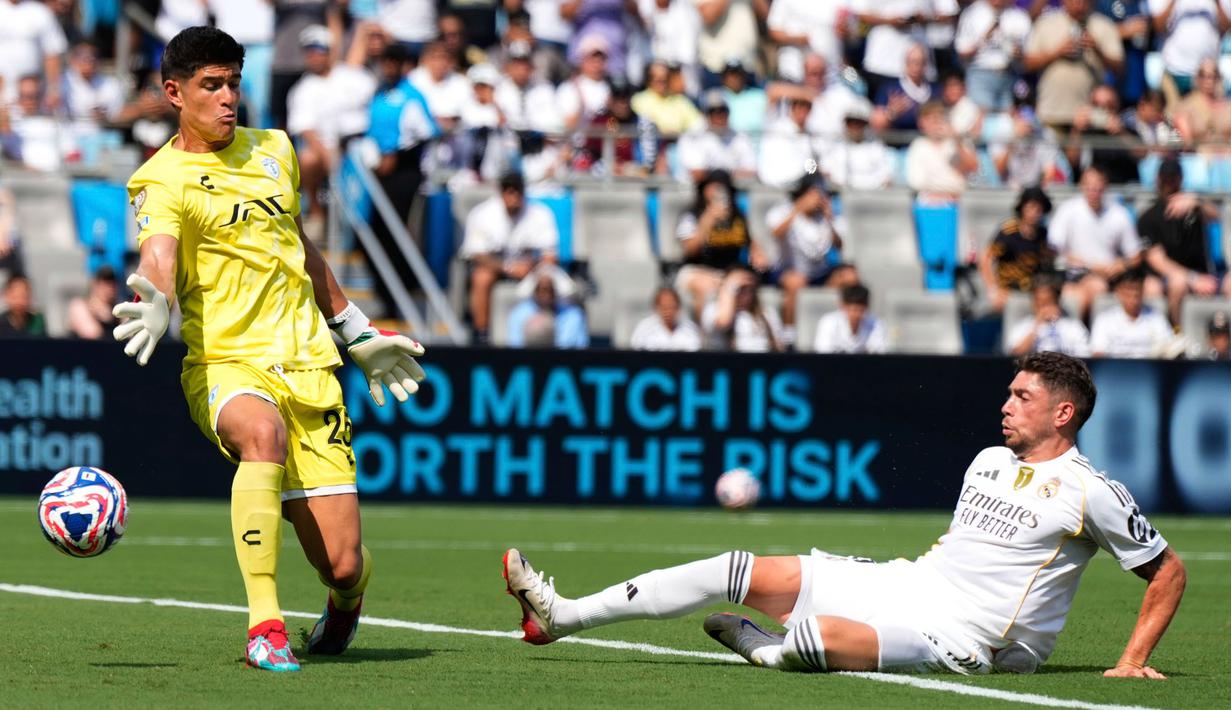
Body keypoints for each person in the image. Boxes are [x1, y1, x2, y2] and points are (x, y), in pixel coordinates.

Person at [503, 352, 1187, 680]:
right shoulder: (986, 459)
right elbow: (965, 543)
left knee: (812, 641)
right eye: (1007, 393)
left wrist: (1131, 661)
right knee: (734, 568)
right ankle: (562, 617)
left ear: (1062, 413)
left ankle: (767, 650)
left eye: (1021, 396)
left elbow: (1167, 572)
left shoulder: (1090, 489)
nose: (1004, 405)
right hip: (910, 585)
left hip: (975, 642)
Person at [112, 27, 427, 672]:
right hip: (226, 363)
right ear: (174, 93)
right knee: (262, 435)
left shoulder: (276, 150)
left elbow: (300, 246)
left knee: (342, 564)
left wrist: (357, 331)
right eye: (211, 85)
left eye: (234, 83)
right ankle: (266, 627)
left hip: (309, 365)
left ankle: (345, 601)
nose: (228, 98)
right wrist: (157, 300)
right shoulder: (161, 179)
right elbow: (160, 254)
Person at [286, 24, 378, 241]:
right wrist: (330, 156)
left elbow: (374, 104)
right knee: (307, 159)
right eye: (309, 50)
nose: (313, 55)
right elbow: (304, 129)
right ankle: (318, 213)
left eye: (318, 48)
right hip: (327, 149)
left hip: (360, 143)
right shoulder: (302, 89)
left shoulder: (354, 76)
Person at [461, 172, 560, 338]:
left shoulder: (540, 214)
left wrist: (533, 267)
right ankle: (481, 335)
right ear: (501, 192)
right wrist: (508, 268)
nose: (514, 196)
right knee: (481, 278)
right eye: (509, 190)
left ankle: (549, 336)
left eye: (518, 190)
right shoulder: (482, 214)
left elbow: (550, 255)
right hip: (497, 269)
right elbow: (477, 254)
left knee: (547, 279)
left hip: (531, 269)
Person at [1137, 157, 1231, 326]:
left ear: (1180, 179)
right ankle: (1177, 333)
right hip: (1170, 276)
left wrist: (1197, 202)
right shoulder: (1148, 216)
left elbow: (1216, 216)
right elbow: (1157, 260)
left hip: (1203, 273)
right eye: (1165, 178)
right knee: (1177, 283)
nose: (1169, 182)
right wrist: (1193, 278)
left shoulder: (1195, 206)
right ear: (1158, 179)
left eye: (1173, 177)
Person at [1047, 164, 1142, 320]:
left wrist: (1122, 265)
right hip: (1073, 275)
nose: (1093, 192)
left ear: (1105, 187)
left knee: (1149, 290)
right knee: (1093, 288)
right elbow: (1054, 248)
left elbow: (1136, 255)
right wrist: (1090, 265)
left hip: (1112, 278)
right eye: (1089, 187)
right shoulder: (1068, 210)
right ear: (1081, 186)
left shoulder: (1119, 213)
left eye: (1098, 188)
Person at [766, 176, 859, 330]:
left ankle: (843, 329)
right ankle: (789, 334)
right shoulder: (783, 211)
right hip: (787, 271)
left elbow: (839, 245)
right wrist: (798, 209)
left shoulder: (830, 217)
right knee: (797, 282)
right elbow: (776, 233)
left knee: (850, 277)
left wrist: (829, 218)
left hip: (820, 274)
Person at [1023, 0, 1124, 132]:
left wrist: (1097, 50)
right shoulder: (1046, 23)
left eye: (1084, 2)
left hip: (1090, 118)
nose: (1079, 5)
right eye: (1075, 1)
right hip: (1051, 113)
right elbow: (1027, 64)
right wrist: (1057, 53)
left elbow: (1119, 68)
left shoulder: (1103, 25)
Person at [674, 169, 765, 315]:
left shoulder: (737, 217)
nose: (718, 191)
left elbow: (752, 245)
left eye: (722, 187)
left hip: (727, 273)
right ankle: (704, 334)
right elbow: (690, 250)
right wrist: (708, 219)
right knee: (707, 287)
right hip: (697, 271)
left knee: (746, 286)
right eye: (713, 186)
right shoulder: (691, 215)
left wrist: (758, 255)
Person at [980, 187, 1056, 312]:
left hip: (1033, 291)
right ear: (1022, 208)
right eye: (1030, 207)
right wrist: (992, 289)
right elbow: (986, 258)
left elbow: (1048, 263)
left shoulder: (1044, 235)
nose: (1034, 212)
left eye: (1038, 209)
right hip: (1007, 289)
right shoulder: (1008, 232)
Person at [955, 0, 1033, 111]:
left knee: (1007, 121)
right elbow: (962, 51)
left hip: (1010, 74)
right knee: (982, 119)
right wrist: (984, 39)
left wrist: (1018, 52)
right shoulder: (973, 13)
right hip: (981, 74)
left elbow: (1029, 55)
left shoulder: (1018, 15)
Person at [1063, 84, 1141, 185]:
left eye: (1109, 106)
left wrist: (1121, 133)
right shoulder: (1083, 130)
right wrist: (1076, 130)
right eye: (1097, 105)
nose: (1103, 110)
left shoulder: (1127, 128)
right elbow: (1072, 160)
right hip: (1091, 190)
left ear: (1118, 106)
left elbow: (1142, 154)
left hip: (1122, 189)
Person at [1090, 269, 1175, 357]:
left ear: (1142, 291)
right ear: (1119, 292)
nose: (1133, 299)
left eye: (1136, 293)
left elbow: (1167, 351)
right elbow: (1098, 354)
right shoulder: (1104, 320)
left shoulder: (1156, 318)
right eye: (1128, 293)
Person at [905, 101, 979, 202]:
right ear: (921, 123)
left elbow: (973, 167)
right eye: (930, 119)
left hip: (958, 201)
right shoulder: (918, 145)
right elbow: (915, 182)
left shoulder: (958, 142)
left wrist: (956, 140)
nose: (935, 123)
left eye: (938, 118)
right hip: (928, 200)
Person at [676, 89, 756, 182]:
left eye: (723, 110)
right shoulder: (693, 136)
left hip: (730, 190)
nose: (720, 115)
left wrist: (721, 175)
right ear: (706, 114)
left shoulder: (739, 136)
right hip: (695, 191)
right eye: (714, 111)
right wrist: (729, 173)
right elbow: (697, 174)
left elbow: (752, 171)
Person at [701, 266, 785, 352]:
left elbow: (779, 347)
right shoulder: (714, 310)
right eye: (740, 288)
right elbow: (723, 323)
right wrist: (730, 287)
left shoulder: (767, 313)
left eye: (750, 288)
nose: (745, 292)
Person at [1006, 275, 1091, 355]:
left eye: (1047, 303)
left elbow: (1083, 356)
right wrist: (1037, 324)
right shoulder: (1023, 326)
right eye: (1039, 304)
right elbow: (1015, 355)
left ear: (1057, 303)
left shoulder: (1072, 327)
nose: (1043, 309)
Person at [823, 101, 894, 191]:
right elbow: (827, 174)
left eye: (859, 123)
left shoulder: (876, 147)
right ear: (845, 124)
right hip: (841, 196)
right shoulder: (835, 148)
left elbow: (886, 177)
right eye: (850, 122)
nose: (854, 126)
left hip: (873, 197)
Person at [506, 272, 589, 348]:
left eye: (550, 290)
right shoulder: (519, 313)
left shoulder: (573, 315)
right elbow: (516, 345)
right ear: (534, 291)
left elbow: (575, 347)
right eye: (541, 290)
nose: (546, 296)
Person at [812, 283, 887, 354]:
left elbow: (879, 352)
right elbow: (823, 353)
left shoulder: (876, 324)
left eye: (861, 310)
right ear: (842, 306)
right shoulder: (828, 322)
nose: (856, 315)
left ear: (867, 308)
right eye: (853, 310)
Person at [630, 286, 703, 351]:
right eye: (664, 308)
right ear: (656, 307)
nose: (668, 312)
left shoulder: (690, 329)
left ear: (678, 307)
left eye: (671, 307)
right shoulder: (644, 328)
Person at [67, 265, 119, 339]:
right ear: (95, 284)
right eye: (105, 284)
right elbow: (92, 333)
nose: (109, 289)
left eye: (112, 285)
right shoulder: (79, 306)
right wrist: (102, 313)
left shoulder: (118, 311)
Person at [0, 273, 45, 338]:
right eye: (15, 297)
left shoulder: (37, 321)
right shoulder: (1, 324)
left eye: (24, 296)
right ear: (7, 296)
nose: (20, 301)